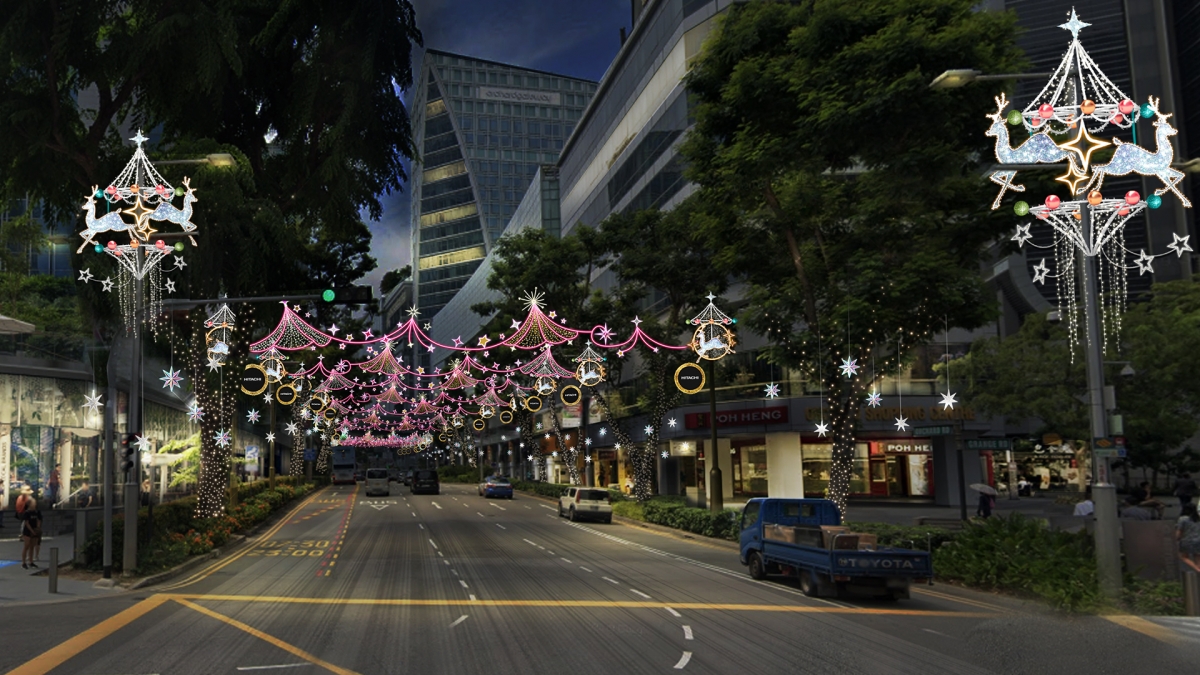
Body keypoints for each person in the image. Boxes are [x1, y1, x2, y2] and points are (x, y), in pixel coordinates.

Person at [1177, 503, 1200, 574]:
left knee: (1184, 557)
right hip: (1198, 540)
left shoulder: (1183, 519)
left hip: (1186, 540)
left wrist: (1177, 538)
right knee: (1197, 557)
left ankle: (1198, 570)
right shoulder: (1198, 518)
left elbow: (1179, 532)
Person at [21, 499, 42, 569]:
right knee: (26, 546)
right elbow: (26, 523)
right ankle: (24, 562)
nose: (35, 504)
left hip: (35, 529)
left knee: (32, 546)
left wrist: (38, 528)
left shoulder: (37, 512)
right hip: (27, 531)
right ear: (29, 504)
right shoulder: (27, 513)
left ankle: (31, 561)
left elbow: (39, 520)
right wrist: (32, 531)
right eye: (33, 503)